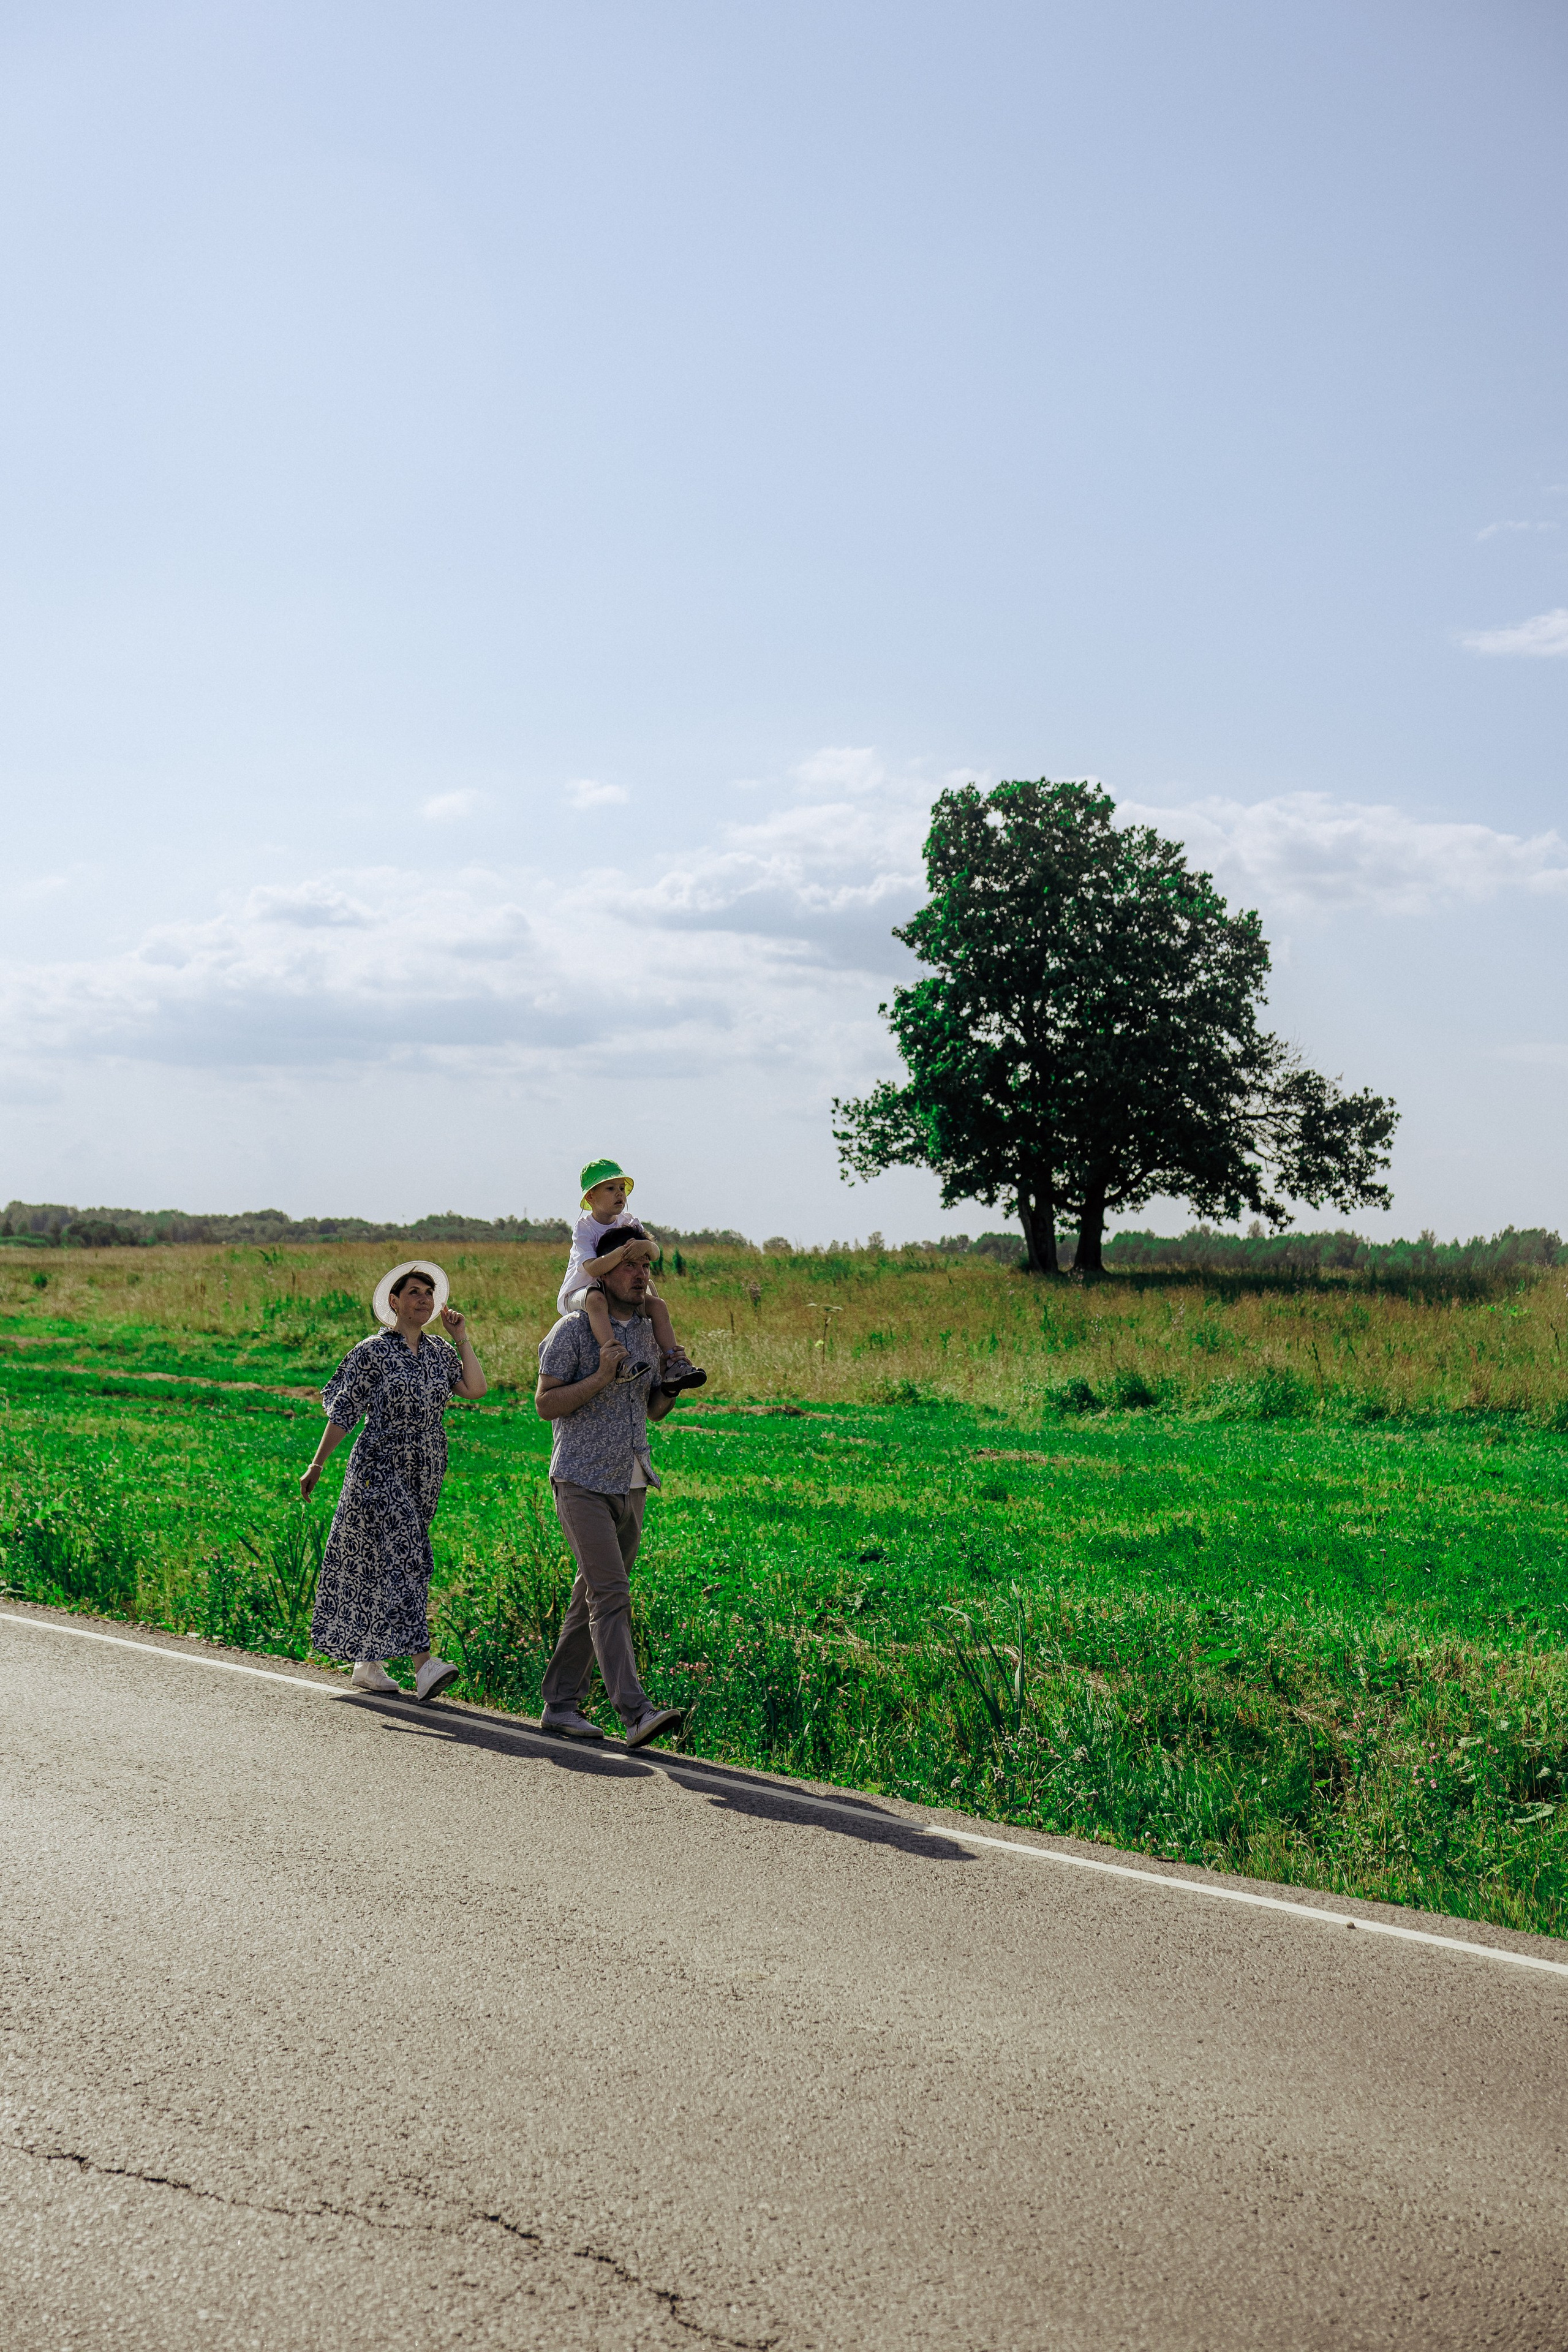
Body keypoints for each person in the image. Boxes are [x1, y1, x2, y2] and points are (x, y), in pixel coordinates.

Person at [301, 1261, 486, 1702]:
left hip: (425, 1470)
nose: (424, 1299)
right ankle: (424, 1666)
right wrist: (318, 1465)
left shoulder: (441, 1351)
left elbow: (475, 1389)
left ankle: (368, 1663)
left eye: (429, 1292)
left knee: (387, 1562)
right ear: (394, 1302)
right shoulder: (372, 1352)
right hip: (377, 1468)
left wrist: (462, 1339)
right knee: (407, 1556)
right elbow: (344, 1412)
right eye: (415, 1292)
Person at [535, 1239, 691, 1747]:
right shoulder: (573, 1331)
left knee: (593, 1596)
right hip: (580, 1479)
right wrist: (604, 1374)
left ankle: (560, 1704)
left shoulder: (649, 1332)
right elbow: (545, 1404)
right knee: (611, 1593)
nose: (641, 1273)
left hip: (633, 1479)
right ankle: (635, 1713)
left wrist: (670, 1385)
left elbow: (653, 1411)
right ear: (603, 1273)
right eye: (629, 1265)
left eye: (646, 1264)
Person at [561, 1157, 706, 1395]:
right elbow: (593, 1270)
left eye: (622, 1188)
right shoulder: (584, 1228)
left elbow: (656, 1253)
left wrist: (645, 1248)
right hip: (581, 1293)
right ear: (590, 1197)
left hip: (617, 1291)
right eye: (610, 1188)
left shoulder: (629, 1222)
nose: (620, 1194)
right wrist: (622, 1253)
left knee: (657, 1304)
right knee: (596, 1300)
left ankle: (673, 1362)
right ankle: (619, 1362)